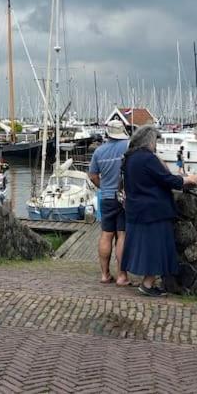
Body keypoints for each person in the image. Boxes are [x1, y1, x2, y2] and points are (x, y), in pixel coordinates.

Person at [119, 124, 197, 298]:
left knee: (144, 248)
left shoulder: (130, 158)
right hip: (153, 211)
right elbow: (167, 179)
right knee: (156, 248)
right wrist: (189, 179)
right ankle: (148, 284)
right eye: (156, 141)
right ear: (149, 141)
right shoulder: (147, 158)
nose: (156, 145)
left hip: (137, 209)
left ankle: (148, 282)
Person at [87, 119, 130, 286]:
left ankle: (105, 274)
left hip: (106, 197)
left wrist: (103, 186)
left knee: (106, 234)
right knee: (122, 235)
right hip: (123, 197)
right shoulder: (128, 147)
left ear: (108, 133)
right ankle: (121, 276)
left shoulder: (99, 151)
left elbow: (92, 176)